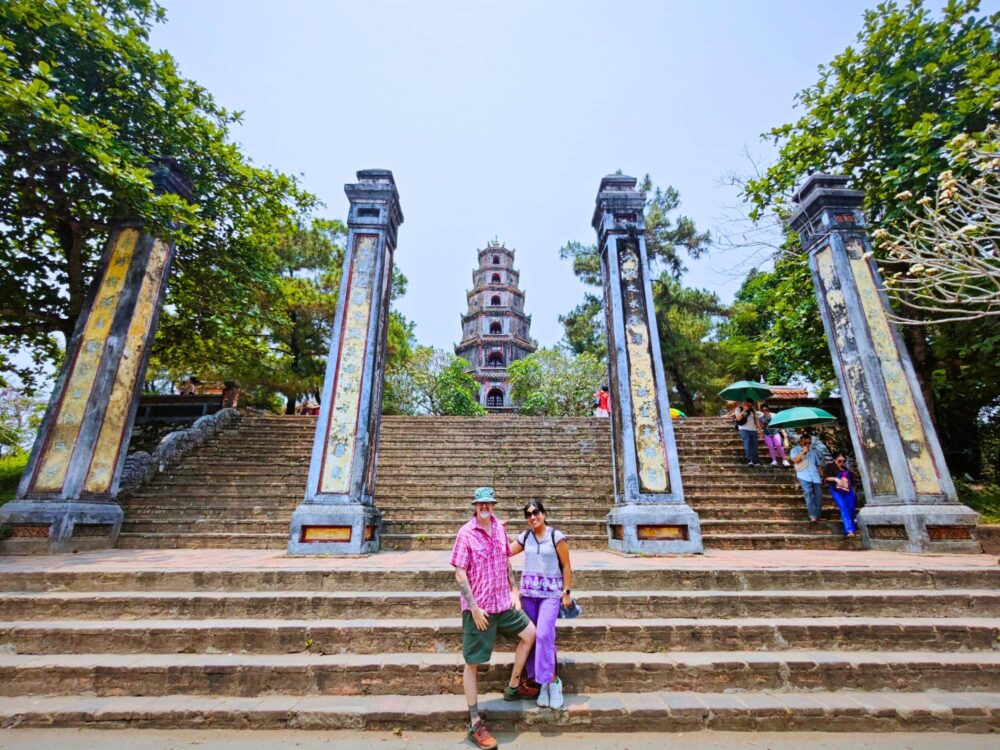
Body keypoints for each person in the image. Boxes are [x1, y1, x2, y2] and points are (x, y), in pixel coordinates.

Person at [451, 486, 537, 750]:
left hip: (503, 603)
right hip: (481, 611)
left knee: (531, 634)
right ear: (475, 506)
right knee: (473, 663)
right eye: (481, 504)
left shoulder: (500, 528)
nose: (485, 507)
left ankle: (513, 687)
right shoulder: (466, 533)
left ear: (494, 505)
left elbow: (506, 561)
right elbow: (459, 573)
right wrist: (474, 608)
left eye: (489, 503)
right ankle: (475, 721)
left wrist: (514, 589)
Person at [509, 500, 572, 710]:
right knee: (535, 637)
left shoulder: (556, 536)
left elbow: (567, 566)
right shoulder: (525, 537)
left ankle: (553, 682)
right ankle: (542, 683)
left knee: (545, 634)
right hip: (529, 594)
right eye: (528, 514)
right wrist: (496, 530)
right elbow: (505, 552)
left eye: (536, 512)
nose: (532, 517)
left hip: (551, 594)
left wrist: (567, 592)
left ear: (543, 513)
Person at [790, 433, 825, 522]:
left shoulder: (814, 451)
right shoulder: (795, 450)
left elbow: (818, 465)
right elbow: (795, 460)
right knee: (808, 493)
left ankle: (818, 515)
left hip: (815, 476)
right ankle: (812, 515)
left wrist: (823, 477)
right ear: (800, 442)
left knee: (819, 495)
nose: (808, 445)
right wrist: (802, 452)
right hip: (803, 476)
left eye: (809, 443)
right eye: (806, 443)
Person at [824, 451, 859, 538]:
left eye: (843, 461)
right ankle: (849, 530)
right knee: (844, 508)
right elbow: (826, 478)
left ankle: (852, 527)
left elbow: (853, 479)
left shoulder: (845, 468)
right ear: (835, 459)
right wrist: (836, 479)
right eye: (839, 461)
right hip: (837, 491)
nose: (841, 463)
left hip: (848, 491)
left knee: (851, 509)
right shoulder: (830, 466)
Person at [734, 399, 761, 466]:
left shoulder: (752, 410)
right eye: (748, 404)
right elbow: (738, 418)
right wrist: (744, 410)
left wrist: (760, 430)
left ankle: (755, 460)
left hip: (753, 429)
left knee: (754, 446)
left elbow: (756, 420)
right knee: (747, 445)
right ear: (745, 403)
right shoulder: (738, 409)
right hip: (744, 429)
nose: (750, 406)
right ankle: (750, 460)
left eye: (751, 404)